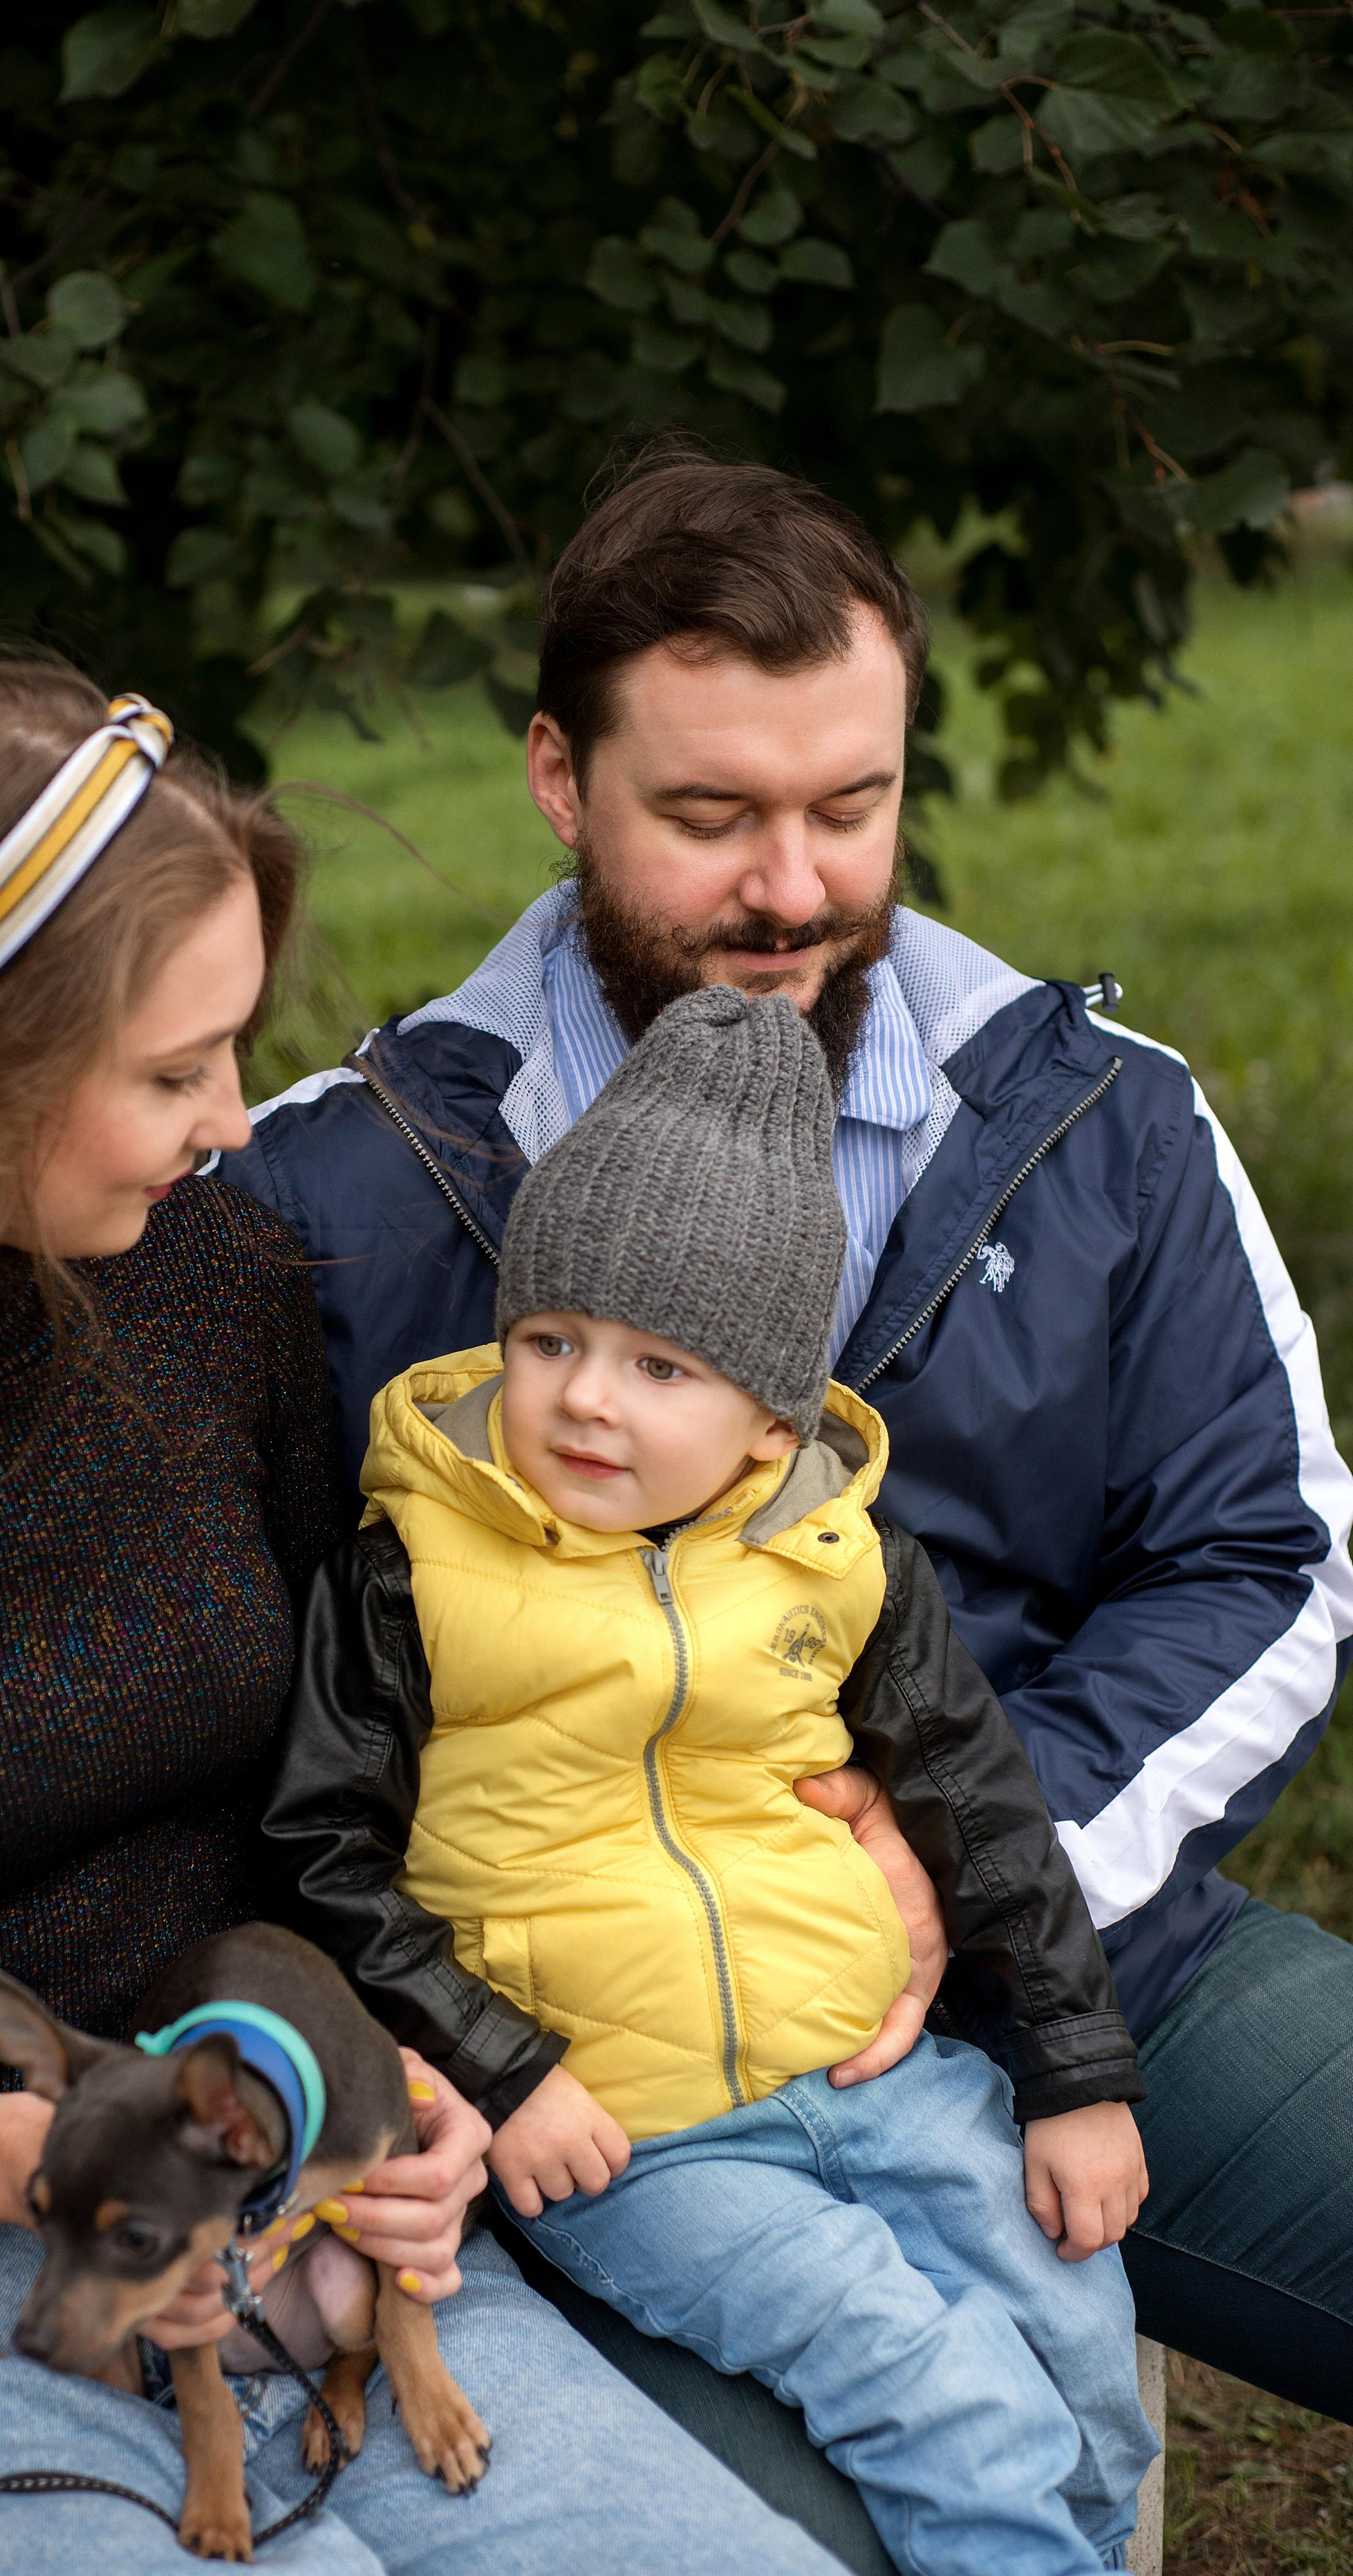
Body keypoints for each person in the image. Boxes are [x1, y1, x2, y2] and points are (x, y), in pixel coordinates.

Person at [0, 658, 845, 2576]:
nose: (241, 1123)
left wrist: (395, 2082)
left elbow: (306, 1800)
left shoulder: (214, 1279)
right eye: (175, 1073)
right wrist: (3, 2160)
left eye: (237, 1049)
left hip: (295, 2228)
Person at [218, 445, 1353, 2558]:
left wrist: (969, 1861)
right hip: (622, 2095)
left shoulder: (1096, 1118)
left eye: (854, 806)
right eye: (713, 817)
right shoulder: (342, 1197)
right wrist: (418, 2055)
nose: (796, 888)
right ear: (561, 779)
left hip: (1087, 1955)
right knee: (838, 2521)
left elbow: (1265, 1556)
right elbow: (237, 1732)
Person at [265, 982, 1158, 2576]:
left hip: (872, 2077)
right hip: (635, 2135)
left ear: (765, 1422)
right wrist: (505, 2069)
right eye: (548, 1340)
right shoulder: (411, 1569)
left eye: (658, 1366)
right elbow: (321, 1858)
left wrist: (1074, 2069)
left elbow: (979, 1804)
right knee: (925, 2387)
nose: (586, 1396)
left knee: (1082, 2369)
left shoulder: (836, 1555)